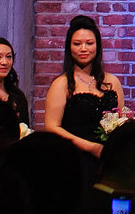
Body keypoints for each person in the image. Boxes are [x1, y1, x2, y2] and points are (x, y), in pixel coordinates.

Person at [42, 14, 127, 163]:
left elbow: (121, 119)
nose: (83, 49)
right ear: (69, 46)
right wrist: (91, 147)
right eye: (77, 44)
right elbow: (51, 127)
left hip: (108, 158)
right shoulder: (61, 84)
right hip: (74, 159)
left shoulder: (112, 82)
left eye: (89, 43)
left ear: (97, 45)